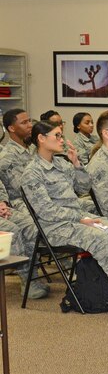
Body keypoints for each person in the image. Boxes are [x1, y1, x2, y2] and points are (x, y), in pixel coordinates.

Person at [21, 121, 108, 305]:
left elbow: (84, 187)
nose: (62, 140)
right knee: (99, 238)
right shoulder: (32, 173)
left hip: (79, 218)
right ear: (41, 138)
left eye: (62, 135)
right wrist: (80, 218)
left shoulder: (61, 163)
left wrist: (76, 164)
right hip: (55, 227)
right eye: (57, 135)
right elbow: (46, 211)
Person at [0, 108, 48, 299]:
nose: (30, 126)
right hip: (20, 202)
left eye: (30, 121)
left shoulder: (30, 150)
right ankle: (28, 278)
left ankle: (66, 260)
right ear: (11, 128)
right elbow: (13, 185)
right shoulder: (7, 156)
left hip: (29, 199)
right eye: (25, 123)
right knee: (29, 226)